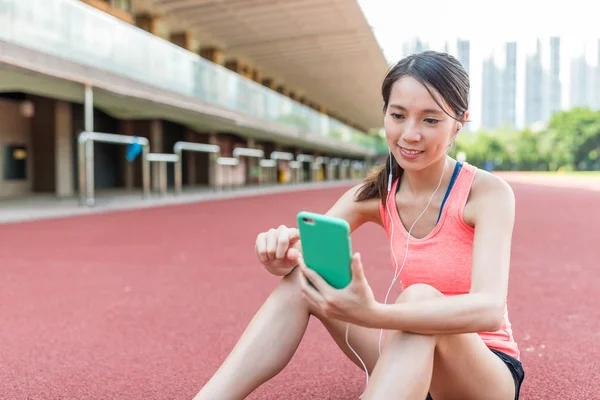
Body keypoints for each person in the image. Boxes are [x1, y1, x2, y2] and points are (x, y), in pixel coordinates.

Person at [194, 51, 525, 400]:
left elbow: (488, 310)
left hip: (481, 374)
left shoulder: (487, 194)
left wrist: (377, 314)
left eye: (430, 120)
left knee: (419, 298)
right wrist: (280, 255)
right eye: (398, 115)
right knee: (304, 279)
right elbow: (303, 256)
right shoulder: (374, 193)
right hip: (409, 354)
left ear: (459, 123)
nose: (410, 134)